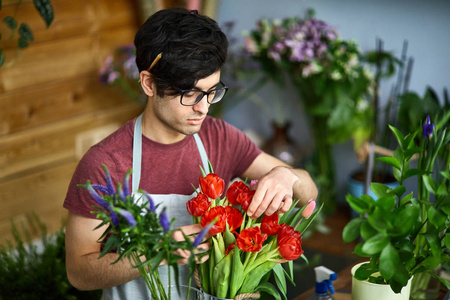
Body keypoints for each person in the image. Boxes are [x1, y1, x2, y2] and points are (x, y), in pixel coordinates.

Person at [64, 7, 318, 299]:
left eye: (212, 91)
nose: (204, 107)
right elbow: (79, 272)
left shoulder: (220, 137)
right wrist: (158, 251)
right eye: (190, 94)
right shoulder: (106, 163)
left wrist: (285, 176)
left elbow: (308, 191)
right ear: (148, 83)